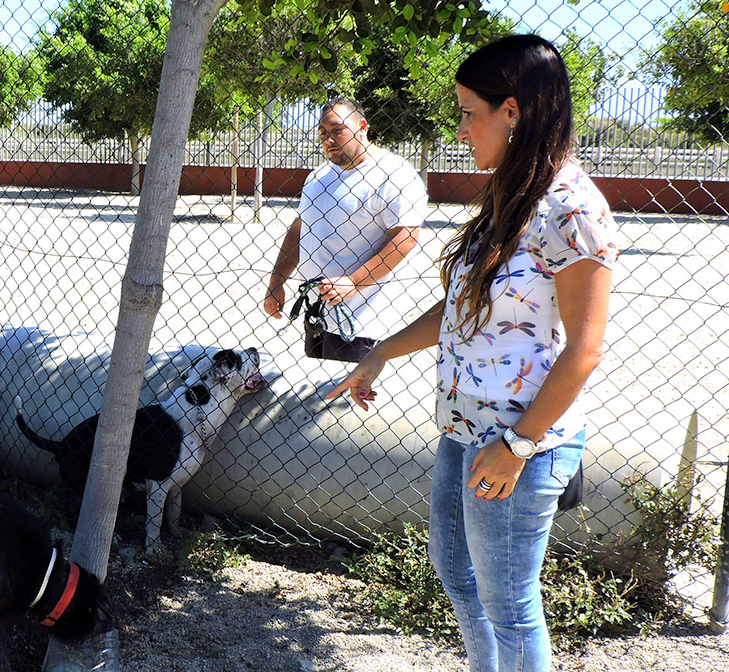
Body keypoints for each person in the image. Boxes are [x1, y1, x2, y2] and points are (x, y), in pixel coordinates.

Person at [327, 35, 618, 671]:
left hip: (518, 443)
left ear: (511, 112)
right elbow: (465, 308)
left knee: (511, 604)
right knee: (456, 571)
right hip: (464, 430)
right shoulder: (510, 199)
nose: (460, 130)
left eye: (467, 112)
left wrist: (517, 446)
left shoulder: (572, 209)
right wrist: (381, 352)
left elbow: (586, 350)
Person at [263, 96, 428, 362]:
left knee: (348, 397)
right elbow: (298, 231)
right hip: (319, 312)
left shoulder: (393, 173)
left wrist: (353, 282)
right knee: (317, 396)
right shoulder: (318, 177)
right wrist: (276, 282)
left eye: (337, 130)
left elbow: (405, 238)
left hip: (363, 318)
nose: (329, 139)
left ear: (362, 126)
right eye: (322, 133)